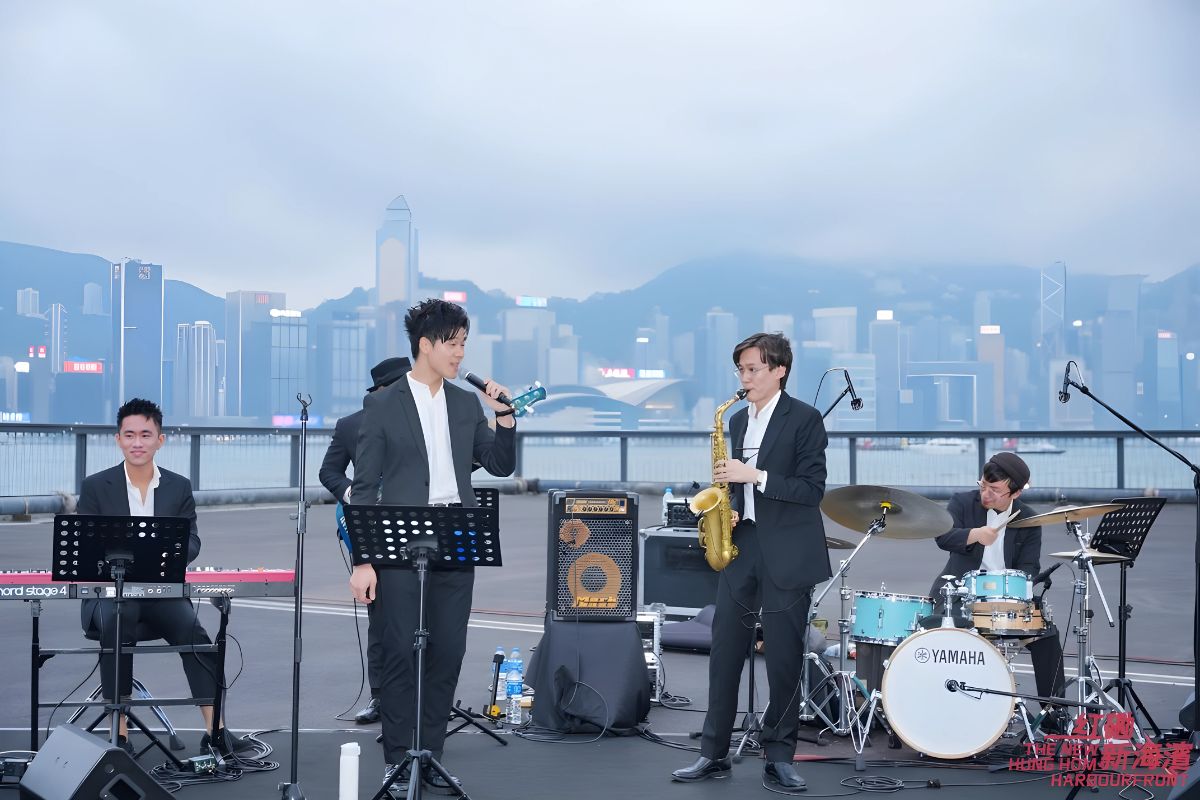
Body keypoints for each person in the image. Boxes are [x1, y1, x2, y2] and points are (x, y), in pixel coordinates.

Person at [348, 299, 516, 797]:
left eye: (464, 343)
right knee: (401, 652)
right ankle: (399, 762)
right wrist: (363, 559)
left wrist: (505, 418)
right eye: (454, 342)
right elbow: (363, 487)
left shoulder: (466, 404)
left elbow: (498, 465)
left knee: (447, 650)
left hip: (457, 533)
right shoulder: (382, 404)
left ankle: (431, 757)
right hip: (399, 536)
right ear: (426, 344)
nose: (461, 353)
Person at [672, 332, 830, 793]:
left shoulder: (806, 418)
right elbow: (734, 484)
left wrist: (754, 475)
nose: (745, 378)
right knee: (724, 652)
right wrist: (732, 501)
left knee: (782, 658)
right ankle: (713, 752)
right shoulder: (737, 420)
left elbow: (811, 490)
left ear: (779, 369)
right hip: (743, 544)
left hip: (788, 551)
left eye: (753, 369)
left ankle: (779, 757)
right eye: (740, 369)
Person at [77, 398, 241, 755]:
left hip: (160, 592)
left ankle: (216, 732)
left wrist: (171, 553)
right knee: (117, 623)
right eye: (130, 435)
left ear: (160, 440)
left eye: (146, 435)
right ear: (118, 439)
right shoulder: (95, 486)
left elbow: (192, 541)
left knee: (195, 633)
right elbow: (83, 546)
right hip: (109, 594)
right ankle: (117, 735)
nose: (138, 442)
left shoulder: (178, 487)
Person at [928, 451, 1067, 729]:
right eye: (983, 485)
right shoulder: (962, 502)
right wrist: (975, 534)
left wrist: (1012, 590)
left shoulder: (1029, 519)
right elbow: (942, 536)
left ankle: (1054, 715)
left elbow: (1029, 568)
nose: (986, 495)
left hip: (1006, 600)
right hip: (959, 594)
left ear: (1014, 492)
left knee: (1048, 637)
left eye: (995, 490)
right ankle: (946, 708)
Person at [319, 356, 411, 725]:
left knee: (427, 618)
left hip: (422, 527)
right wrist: (350, 493)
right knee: (381, 618)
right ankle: (379, 697)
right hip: (371, 527)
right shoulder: (350, 425)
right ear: (383, 391)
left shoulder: (430, 422)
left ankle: (424, 697)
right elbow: (329, 470)